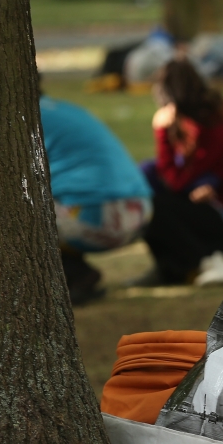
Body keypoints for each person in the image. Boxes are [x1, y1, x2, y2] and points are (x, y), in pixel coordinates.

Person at [138, 58, 223, 286]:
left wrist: (161, 134)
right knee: (144, 182)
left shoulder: (212, 128)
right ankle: (170, 267)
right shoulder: (208, 119)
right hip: (213, 200)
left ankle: (197, 264)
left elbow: (176, 180)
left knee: (154, 207)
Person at [40, 91, 152, 304]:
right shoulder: (65, 108)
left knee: (9, 208)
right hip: (142, 211)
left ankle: (76, 274)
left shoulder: (20, 119)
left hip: (97, 216)